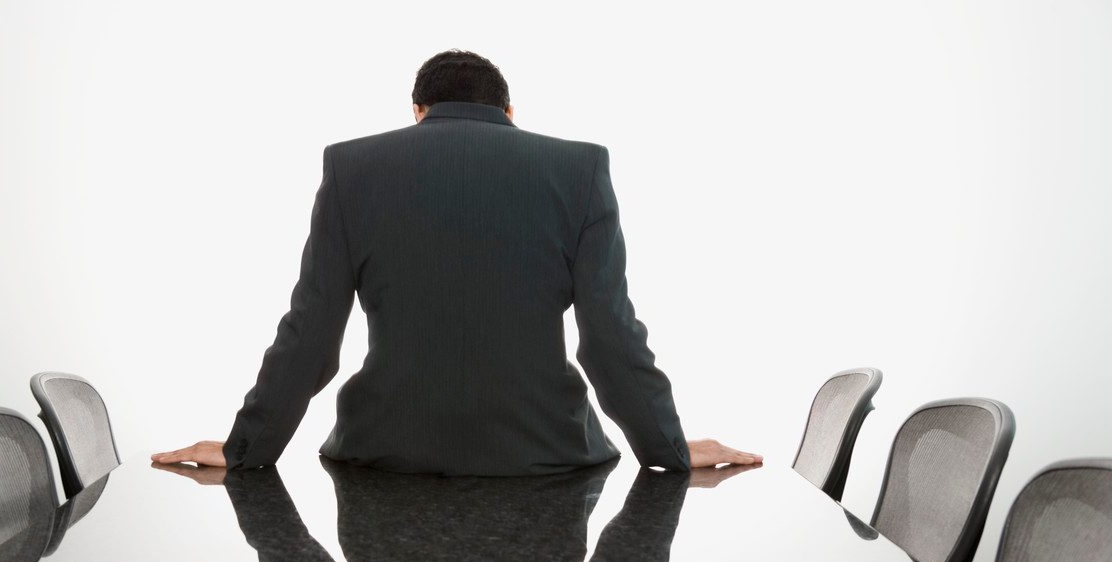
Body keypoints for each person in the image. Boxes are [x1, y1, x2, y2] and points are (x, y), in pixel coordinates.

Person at [153, 50, 761, 475]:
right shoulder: (580, 170)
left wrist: (246, 448)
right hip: (547, 458)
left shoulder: (351, 169)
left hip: (385, 457)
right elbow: (609, 332)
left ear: (415, 111)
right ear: (510, 113)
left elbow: (311, 331)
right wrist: (667, 449)